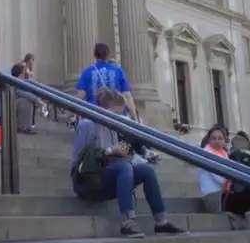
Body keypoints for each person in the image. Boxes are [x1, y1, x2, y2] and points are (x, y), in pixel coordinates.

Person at [72, 87, 186, 238]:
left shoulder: (114, 126)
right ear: (102, 109)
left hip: (109, 177)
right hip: (88, 183)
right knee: (124, 167)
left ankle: (161, 222)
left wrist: (133, 154)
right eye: (116, 114)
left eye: (121, 114)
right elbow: (78, 162)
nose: (120, 118)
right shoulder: (87, 125)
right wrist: (109, 152)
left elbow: (119, 155)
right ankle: (127, 222)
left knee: (146, 170)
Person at [199, 125, 250, 230]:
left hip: (228, 195)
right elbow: (220, 179)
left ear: (225, 141)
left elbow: (229, 177)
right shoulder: (206, 154)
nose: (217, 141)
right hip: (216, 200)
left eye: (220, 138)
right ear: (208, 140)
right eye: (213, 138)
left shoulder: (224, 154)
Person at [76, 43, 137, 120]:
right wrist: (135, 118)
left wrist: (68, 114)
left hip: (93, 115)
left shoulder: (87, 72)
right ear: (108, 55)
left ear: (95, 55)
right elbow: (127, 96)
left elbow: (80, 96)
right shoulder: (118, 70)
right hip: (116, 117)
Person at [11, 63, 46, 134]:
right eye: (24, 72)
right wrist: (39, 101)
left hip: (14, 106)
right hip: (10, 108)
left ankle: (27, 126)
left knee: (28, 100)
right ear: (20, 74)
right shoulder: (14, 82)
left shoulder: (22, 81)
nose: (26, 74)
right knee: (25, 101)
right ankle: (23, 127)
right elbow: (23, 93)